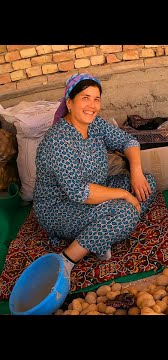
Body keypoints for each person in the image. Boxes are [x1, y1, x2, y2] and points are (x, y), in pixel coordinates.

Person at [33, 73, 157, 276]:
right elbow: (80, 193)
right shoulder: (58, 141)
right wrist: (123, 194)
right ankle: (67, 259)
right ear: (69, 102)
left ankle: (100, 235)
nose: (91, 105)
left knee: (147, 182)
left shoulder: (95, 125)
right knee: (125, 210)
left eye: (96, 99)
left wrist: (136, 172)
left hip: (99, 188)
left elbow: (129, 142)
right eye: (85, 98)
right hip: (62, 206)